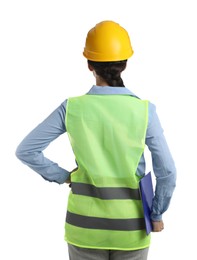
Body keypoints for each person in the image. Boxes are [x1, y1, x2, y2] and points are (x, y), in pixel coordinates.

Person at [16, 20, 176, 260]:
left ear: (89, 64)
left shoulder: (72, 108)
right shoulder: (144, 111)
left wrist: (63, 176)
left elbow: (26, 150)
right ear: (124, 64)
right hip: (130, 229)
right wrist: (156, 214)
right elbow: (168, 172)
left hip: (84, 228)